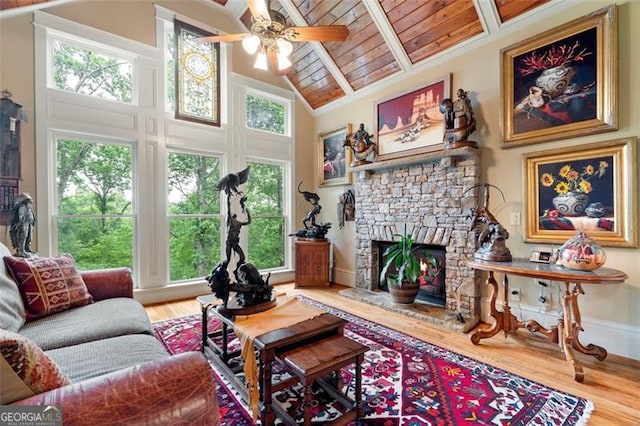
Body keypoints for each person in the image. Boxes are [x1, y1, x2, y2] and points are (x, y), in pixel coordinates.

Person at [9, 192, 36, 257]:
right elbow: (20, 215)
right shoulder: (22, 207)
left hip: (29, 223)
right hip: (23, 223)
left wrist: (33, 221)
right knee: (23, 236)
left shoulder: (29, 208)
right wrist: (21, 221)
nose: (30, 203)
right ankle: (21, 250)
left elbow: (32, 216)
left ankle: (27, 248)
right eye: (28, 201)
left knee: (29, 237)